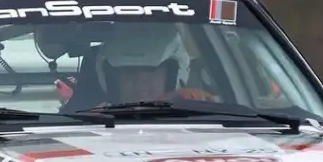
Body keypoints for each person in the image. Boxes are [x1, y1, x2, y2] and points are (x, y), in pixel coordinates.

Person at [77, 23, 220, 107]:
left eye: (150, 70)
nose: (140, 81)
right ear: (113, 79)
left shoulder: (201, 111)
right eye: (129, 71)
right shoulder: (88, 123)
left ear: (171, 74)